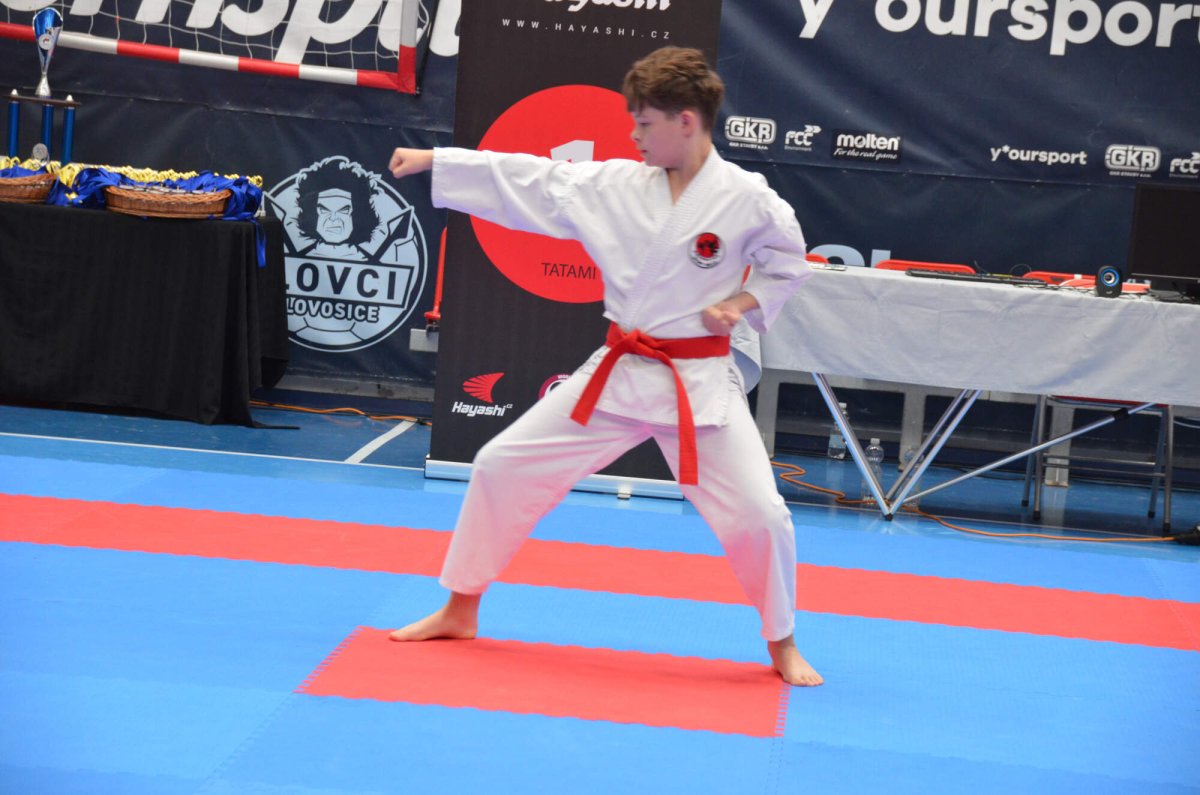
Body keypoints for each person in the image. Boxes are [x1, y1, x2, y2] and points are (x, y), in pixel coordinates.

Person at [386, 46, 822, 686]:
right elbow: (533, 179)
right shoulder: (616, 186)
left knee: (762, 514)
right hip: (618, 372)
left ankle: (782, 641)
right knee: (501, 465)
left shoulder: (747, 200)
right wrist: (439, 162)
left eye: (644, 122)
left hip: (698, 384)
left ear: (686, 122)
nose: (633, 134)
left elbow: (789, 265)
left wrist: (742, 302)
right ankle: (460, 607)